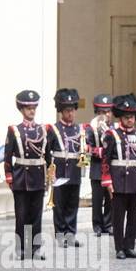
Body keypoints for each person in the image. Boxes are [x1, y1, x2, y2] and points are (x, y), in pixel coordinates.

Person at [4, 89, 49, 261]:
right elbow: (8, 156)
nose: (32, 111)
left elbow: (48, 155)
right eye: (28, 108)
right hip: (21, 177)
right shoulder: (14, 130)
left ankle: (35, 248)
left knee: (36, 216)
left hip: (38, 176)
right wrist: (9, 175)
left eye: (34, 108)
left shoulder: (43, 130)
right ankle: (21, 248)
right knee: (21, 215)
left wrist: (49, 176)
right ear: (22, 110)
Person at [102, 94, 136, 260]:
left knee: (134, 216)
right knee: (118, 217)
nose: (130, 120)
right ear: (121, 117)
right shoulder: (112, 134)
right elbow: (105, 159)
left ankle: (130, 246)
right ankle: (119, 247)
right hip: (118, 181)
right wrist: (107, 180)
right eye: (127, 117)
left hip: (135, 180)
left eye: (132, 117)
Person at [45, 88, 84, 248]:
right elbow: (47, 152)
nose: (70, 114)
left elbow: (83, 151)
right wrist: (50, 171)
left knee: (72, 204)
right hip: (59, 170)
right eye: (67, 110)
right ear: (61, 111)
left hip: (75, 171)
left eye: (73, 110)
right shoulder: (53, 129)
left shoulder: (79, 129)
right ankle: (60, 234)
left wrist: (84, 164)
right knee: (59, 205)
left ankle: (71, 234)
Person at [84, 94, 114, 236]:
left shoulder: (114, 128)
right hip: (97, 168)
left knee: (110, 199)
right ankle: (97, 226)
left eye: (107, 111)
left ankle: (108, 224)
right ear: (97, 112)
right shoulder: (91, 128)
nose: (105, 115)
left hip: (112, 169)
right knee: (97, 200)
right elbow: (88, 148)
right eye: (102, 112)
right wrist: (101, 151)